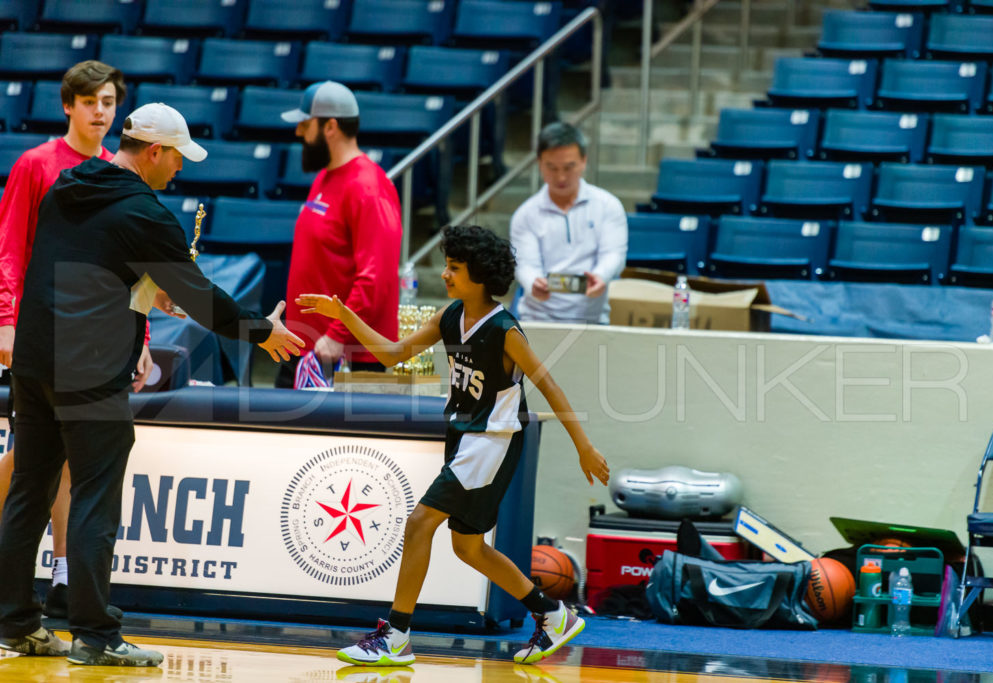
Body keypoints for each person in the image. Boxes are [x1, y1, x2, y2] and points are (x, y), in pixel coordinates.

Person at [0, 102, 304, 667]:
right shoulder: (144, 212)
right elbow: (201, 298)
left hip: (36, 360)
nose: (180, 171)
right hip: (89, 371)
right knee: (95, 500)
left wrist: (148, 286)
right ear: (156, 151)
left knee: (29, 492)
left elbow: (92, 261)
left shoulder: (67, 184)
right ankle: (95, 635)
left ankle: (14, 622)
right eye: (178, 159)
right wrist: (262, 332)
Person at [296, 225, 610, 667]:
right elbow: (391, 354)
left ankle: (397, 635)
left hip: (491, 442)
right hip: (464, 437)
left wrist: (584, 446)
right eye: (446, 265)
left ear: (480, 276)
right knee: (468, 547)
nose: (444, 273)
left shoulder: (504, 330)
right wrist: (343, 313)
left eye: (455, 268)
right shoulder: (449, 316)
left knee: (419, 523)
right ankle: (552, 614)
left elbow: (550, 386)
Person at [0, 60, 153, 621]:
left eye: (109, 101)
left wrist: (142, 335)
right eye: (89, 100)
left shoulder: (118, 170)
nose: (100, 110)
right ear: (68, 105)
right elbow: (11, 247)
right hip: (40, 333)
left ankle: (63, 574)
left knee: (59, 462)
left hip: (97, 341)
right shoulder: (37, 164)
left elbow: (130, 270)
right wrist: (5, 320)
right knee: (33, 466)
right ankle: (42, 580)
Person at [275, 80, 401, 388]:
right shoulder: (325, 177)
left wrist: (336, 335)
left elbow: (376, 277)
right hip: (306, 347)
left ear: (330, 126)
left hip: (343, 355)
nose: (298, 132)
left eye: (305, 124)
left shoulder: (369, 187)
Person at [509, 121, 628, 325]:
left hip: (592, 319)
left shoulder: (608, 205)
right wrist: (532, 283)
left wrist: (601, 276)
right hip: (538, 320)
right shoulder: (526, 214)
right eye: (552, 167)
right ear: (539, 162)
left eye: (569, 167)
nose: (561, 177)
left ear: (584, 161)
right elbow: (525, 264)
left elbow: (614, 254)